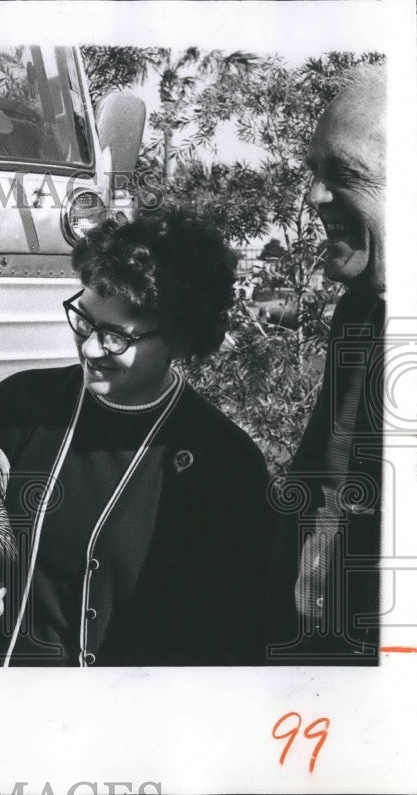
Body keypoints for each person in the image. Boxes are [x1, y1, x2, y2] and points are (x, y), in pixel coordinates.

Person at [0, 211, 275, 666]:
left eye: (116, 336)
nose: (91, 348)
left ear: (180, 338)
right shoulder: (18, 407)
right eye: (85, 321)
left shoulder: (224, 464)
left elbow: (233, 637)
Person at [267, 65, 386, 663]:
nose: (315, 196)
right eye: (315, 171)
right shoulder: (361, 312)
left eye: (346, 173)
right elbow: (318, 483)